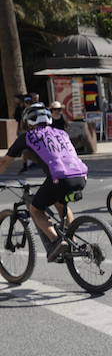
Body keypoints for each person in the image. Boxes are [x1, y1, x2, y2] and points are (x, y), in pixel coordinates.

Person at [0, 103, 88, 261]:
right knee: (59, 203)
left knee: (35, 209)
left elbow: (4, 162)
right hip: (81, 176)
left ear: (28, 121)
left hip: (59, 179)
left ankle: (56, 241)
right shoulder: (61, 133)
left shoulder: (28, 137)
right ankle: (73, 241)